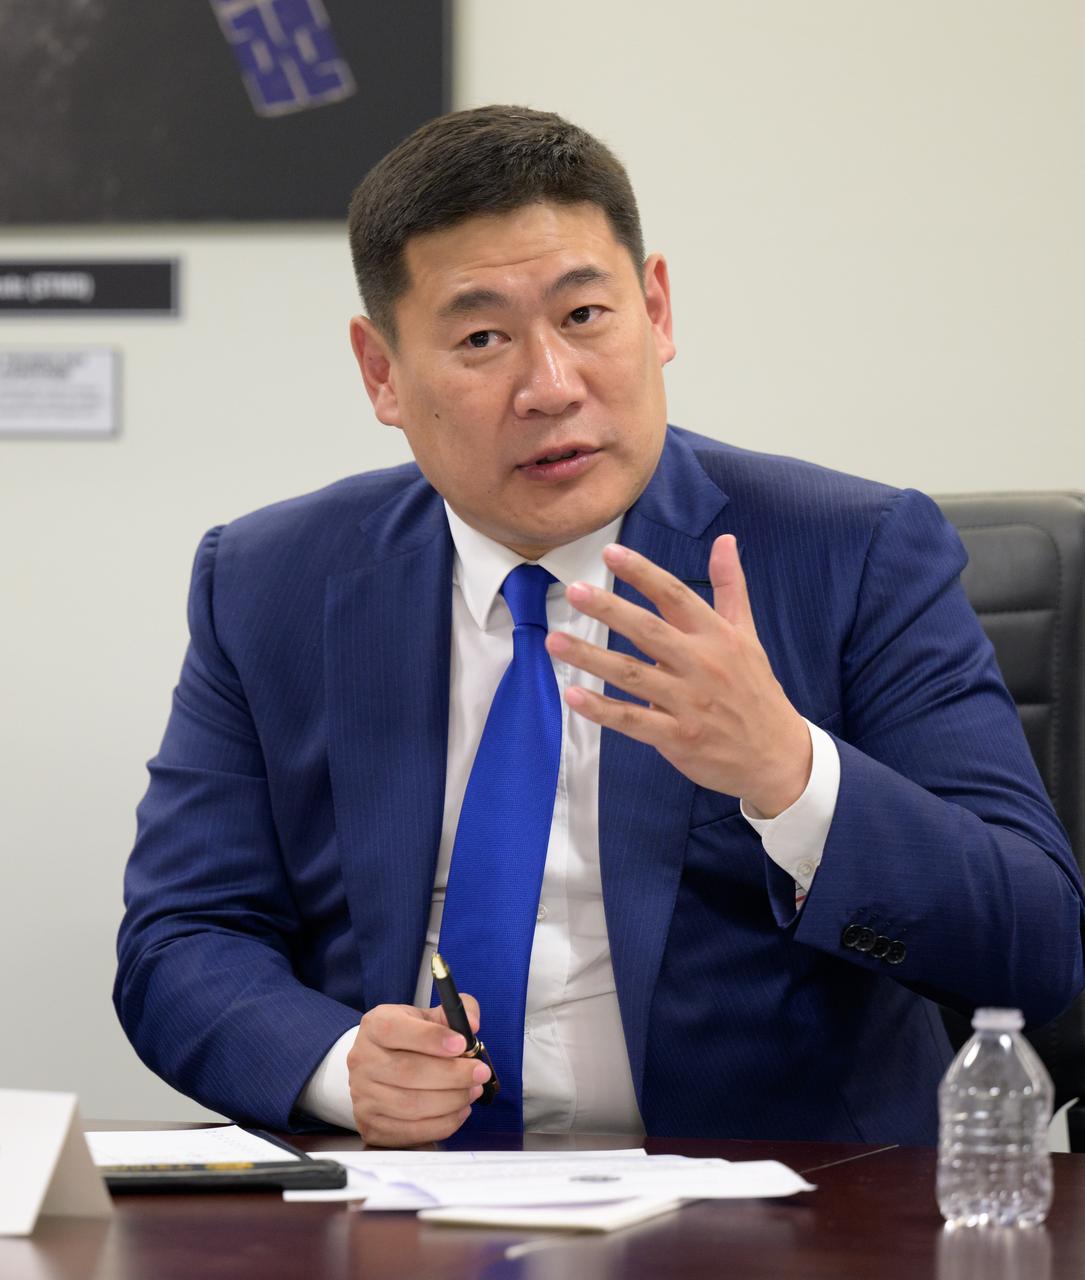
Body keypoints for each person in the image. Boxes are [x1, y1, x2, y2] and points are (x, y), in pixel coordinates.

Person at [115, 105, 1085, 1148]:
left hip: (786, 1213)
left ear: (655, 308)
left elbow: (1032, 947)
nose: (550, 385)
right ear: (382, 372)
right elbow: (182, 935)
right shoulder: (270, 582)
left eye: (584, 316)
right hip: (404, 1205)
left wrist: (788, 772)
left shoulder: (850, 554)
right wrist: (335, 1065)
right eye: (481, 337)